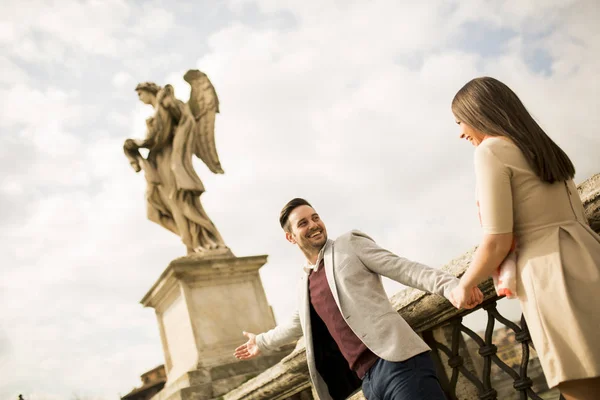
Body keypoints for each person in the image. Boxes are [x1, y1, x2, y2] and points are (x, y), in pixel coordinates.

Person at [234, 198, 483, 400]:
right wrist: (262, 342)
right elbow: (295, 324)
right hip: (368, 383)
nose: (313, 225)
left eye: (315, 217)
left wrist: (453, 286)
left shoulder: (349, 244)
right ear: (291, 237)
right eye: (303, 223)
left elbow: (404, 269)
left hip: (400, 365)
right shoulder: (305, 283)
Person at [448, 76, 600, 400]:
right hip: (590, 256)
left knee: (581, 389)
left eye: (460, 121)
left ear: (479, 113)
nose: (460, 132)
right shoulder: (541, 145)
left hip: (553, 279)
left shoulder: (490, 151)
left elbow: (497, 239)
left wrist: (465, 285)